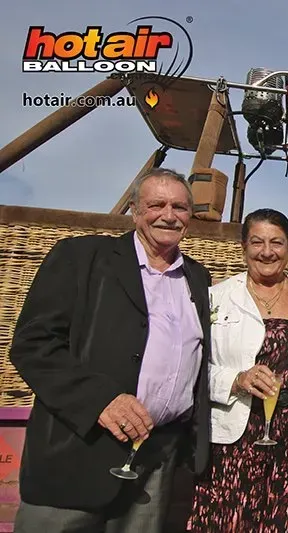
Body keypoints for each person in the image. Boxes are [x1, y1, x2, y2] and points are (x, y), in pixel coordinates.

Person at [9, 168, 212, 532]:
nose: (169, 215)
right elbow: (33, 344)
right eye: (157, 205)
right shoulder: (82, 257)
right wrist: (100, 400)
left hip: (155, 460)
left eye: (180, 207)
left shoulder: (197, 278)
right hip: (77, 454)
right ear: (135, 211)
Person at [189, 208, 288, 532]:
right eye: (257, 242)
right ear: (243, 246)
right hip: (234, 434)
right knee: (227, 520)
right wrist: (236, 380)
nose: (267, 252)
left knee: (286, 521)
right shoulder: (216, 297)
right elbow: (192, 367)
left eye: (277, 242)